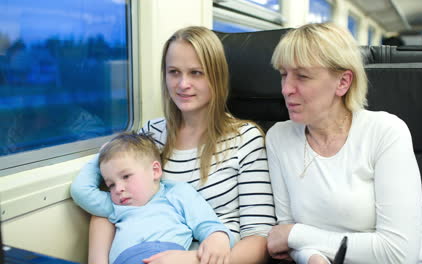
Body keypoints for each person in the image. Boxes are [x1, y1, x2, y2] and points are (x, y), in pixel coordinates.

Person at [77, 26, 276, 264]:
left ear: (216, 76)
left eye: (196, 73)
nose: (182, 84)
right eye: (174, 72)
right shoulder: (150, 134)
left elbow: (259, 241)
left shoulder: (246, 139)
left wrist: (191, 260)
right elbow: (108, 209)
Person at [265, 23, 422, 264]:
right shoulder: (278, 138)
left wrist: (298, 235)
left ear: (343, 82)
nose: (286, 89)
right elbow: (284, 238)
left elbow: (398, 253)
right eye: (283, 74)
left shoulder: (386, 132)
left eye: (302, 76)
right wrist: (313, 257)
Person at [70, 132, 234, 264]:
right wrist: (100, 156)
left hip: (168, 257)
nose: (118, 188)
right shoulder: (115, 206)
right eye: (110, 184)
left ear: (155, 171)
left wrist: (218, 237)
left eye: (126, 176)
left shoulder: (176, 193)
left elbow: (206, 223)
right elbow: (80, 191)